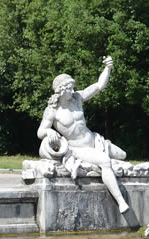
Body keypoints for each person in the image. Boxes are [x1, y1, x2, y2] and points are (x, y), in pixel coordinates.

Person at [37, 56, 131, 213]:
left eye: (72, 87)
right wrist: (49, 130)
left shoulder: (77, 99)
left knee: (122, 155)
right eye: (68, 88)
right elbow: (40, 132)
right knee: (105, 161)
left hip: (95, 140)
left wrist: (107, 68)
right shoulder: (53, 110)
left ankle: (110, 169)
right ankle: (121, 202)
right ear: (60, 90)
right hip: (78, 148)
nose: (72, 91)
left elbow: (99, 86)